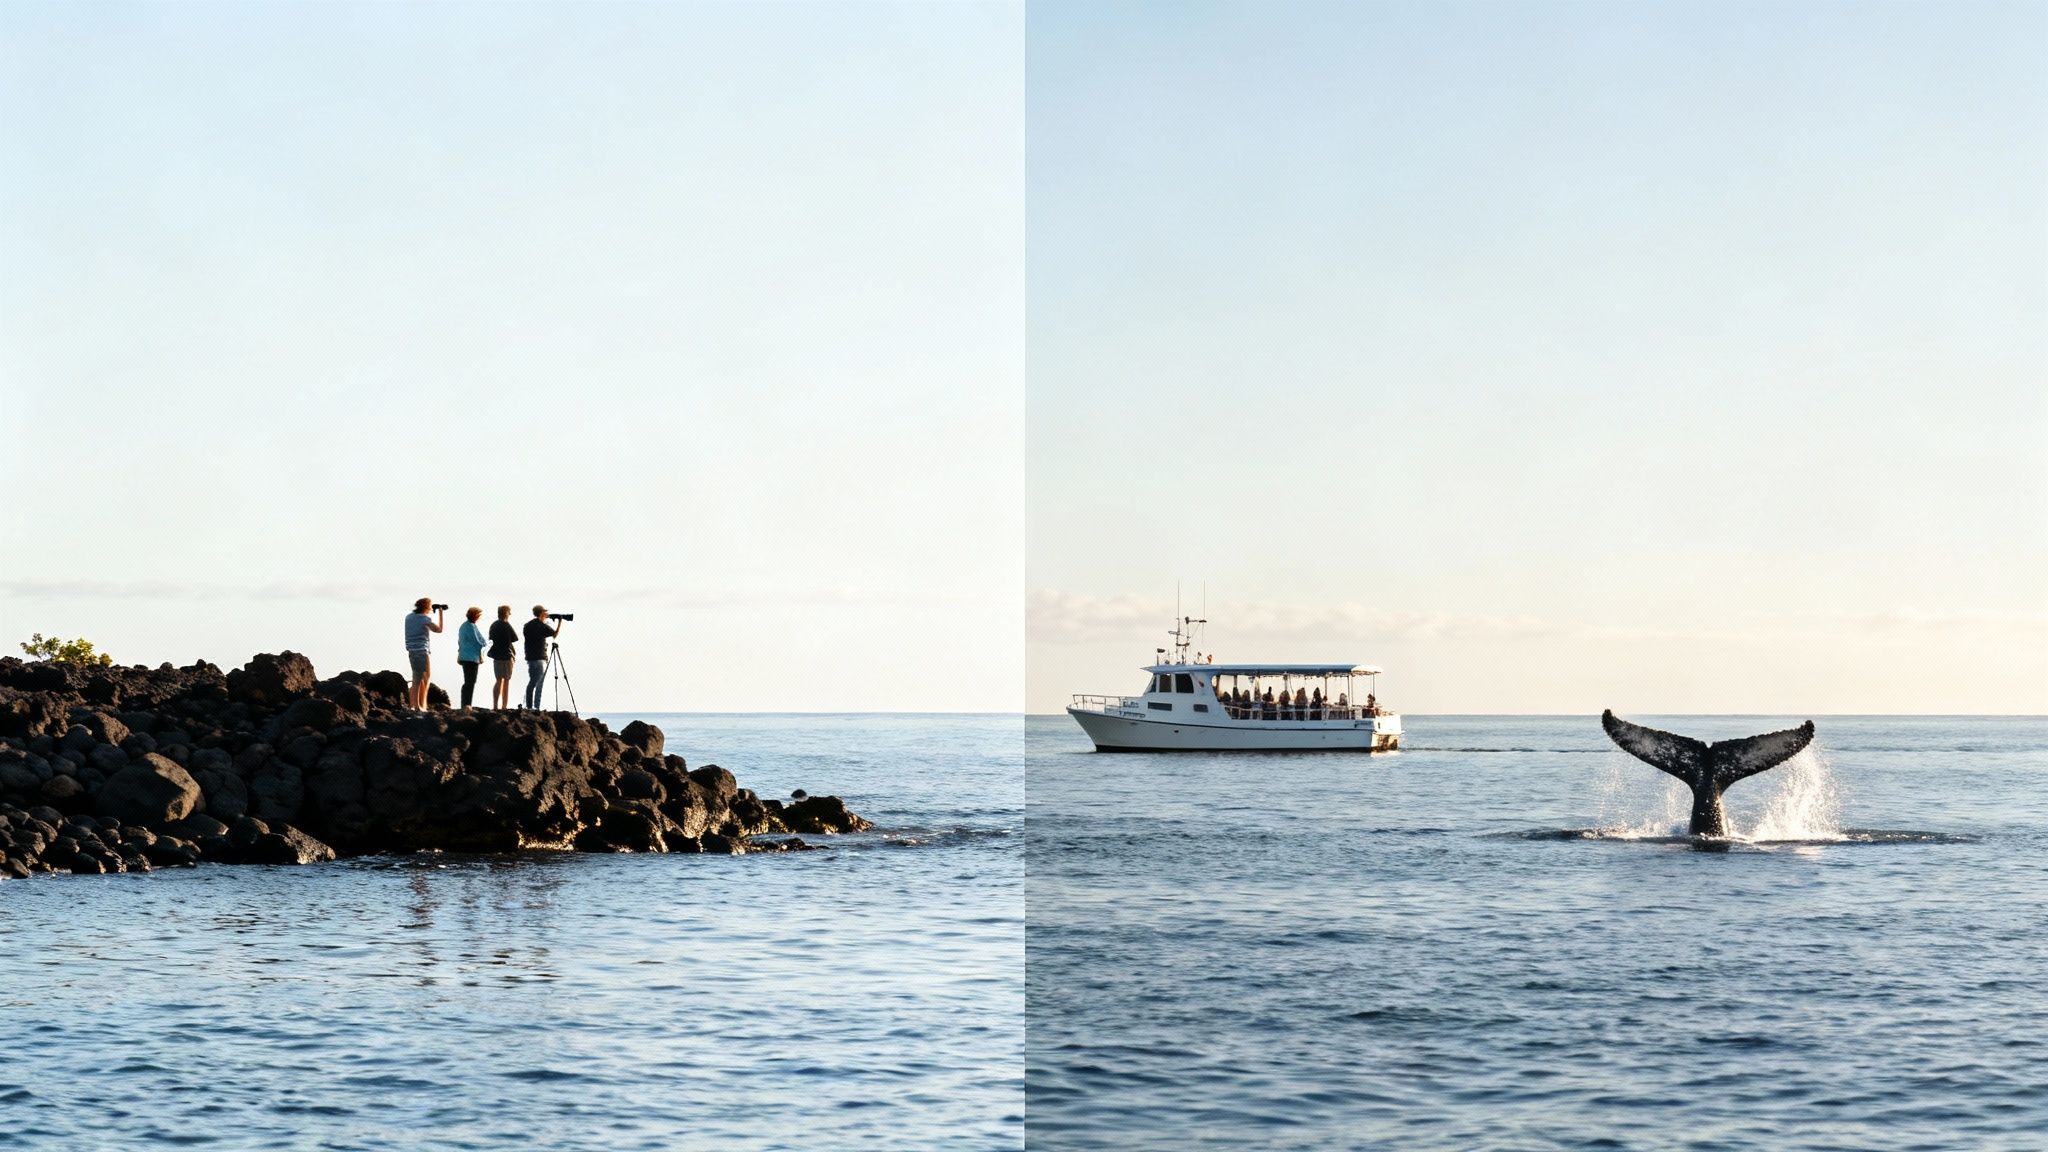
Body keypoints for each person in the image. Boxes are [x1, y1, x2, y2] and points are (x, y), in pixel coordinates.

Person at [404, 598, 444, 710]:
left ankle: (415, 704)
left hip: (411, 651)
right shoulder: (424, 619)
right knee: (421, 679)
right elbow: (439, 629)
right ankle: (418, 706)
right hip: (421, 651)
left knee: (417, 677)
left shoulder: (409, 617)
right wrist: (440, 613)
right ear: (426, 607)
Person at [522, 605, 562, 710]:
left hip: (530, 658)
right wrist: (560, 622)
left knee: (532, 682)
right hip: (540, 657)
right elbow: (555, 634)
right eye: (545, 613)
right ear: (541, 613)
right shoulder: (542, 626)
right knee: (539, 683)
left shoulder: (527, 625)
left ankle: (529, 706)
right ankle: (536, 707)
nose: (546, 615)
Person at [487, 605, 518, 710]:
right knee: (506, 681)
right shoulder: (506, 625)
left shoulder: (493, 625)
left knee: (498, 680)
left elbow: (490, 640)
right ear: (505, 613)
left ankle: (495, 705)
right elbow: (514, 639)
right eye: (509, 612)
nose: (510, 614)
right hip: (506, 656)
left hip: (496, 656)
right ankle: (504, 706)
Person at [456, 607, 486, 710]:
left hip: (464, 656)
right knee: (470, 681)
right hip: (471, 658)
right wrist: (485, 644)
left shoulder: (463, 626)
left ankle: (465, 703)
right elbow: (478, 641)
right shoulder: (471, 626)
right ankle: (467, 704)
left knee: (468, 681)